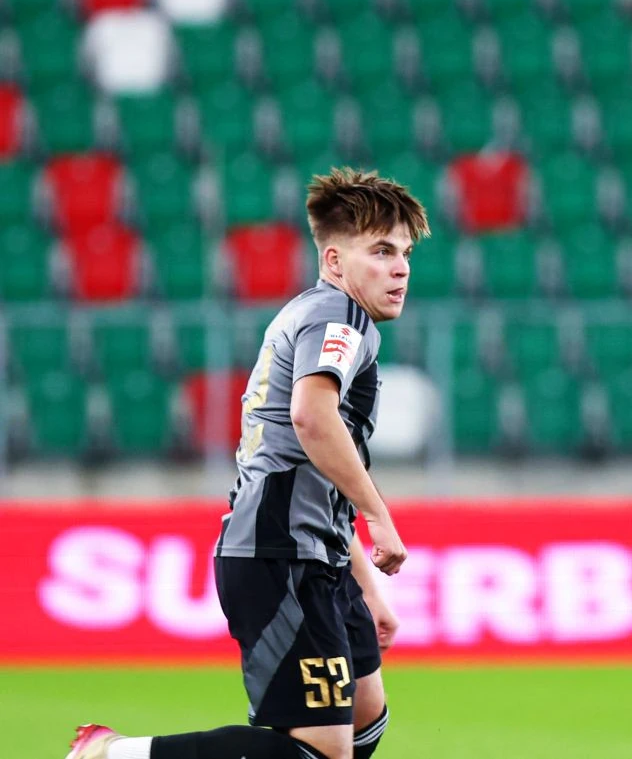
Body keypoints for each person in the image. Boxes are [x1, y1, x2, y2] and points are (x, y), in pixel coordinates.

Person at [67, 169, 431, 759]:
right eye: (382, 251)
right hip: (279, 556)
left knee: (365, 720)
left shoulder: (321, 313)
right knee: (322, 752)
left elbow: (316, 475)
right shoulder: (338, 316)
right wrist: (380, 516)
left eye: (405, 254)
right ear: (334, 260)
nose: (400, 269)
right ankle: (111, 754)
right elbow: (312, 418)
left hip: (312, 553)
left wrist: (365, 586)